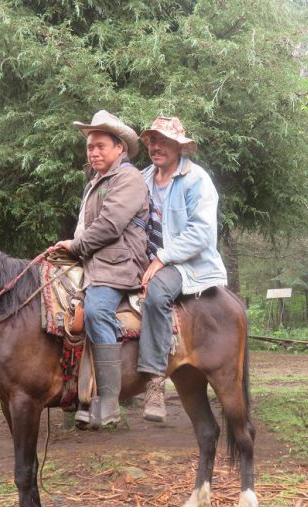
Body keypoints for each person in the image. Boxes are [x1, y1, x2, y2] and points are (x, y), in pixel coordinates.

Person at [54, 110, 149, 427]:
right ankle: (79, 395)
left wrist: (76, 246)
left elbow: (110, 225)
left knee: (95, 311)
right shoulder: (95, 182)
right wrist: (67, 250)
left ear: (119, 147)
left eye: (101, 146)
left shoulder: (128, 179)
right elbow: (85, 226)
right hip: (93, 261)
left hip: (119, 264)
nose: (93, 152)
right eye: (89, 147)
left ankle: (109, 400)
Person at [138, 116, 228, 423]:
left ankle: (154, 382)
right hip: (147, 259)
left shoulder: (197, 180)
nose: (156, 147)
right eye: (152, 141)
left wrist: (162, 258)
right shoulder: (143, 178)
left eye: (163, 141)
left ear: (179, 147)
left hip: (188, 263)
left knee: (156, 294)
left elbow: (201, 233)